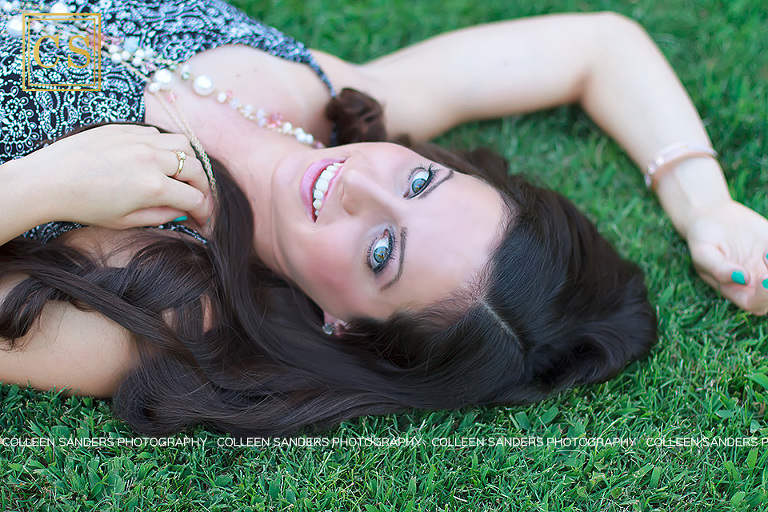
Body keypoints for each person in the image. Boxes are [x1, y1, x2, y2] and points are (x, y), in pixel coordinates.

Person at [0, 0, 764, 437]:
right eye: (425, 182)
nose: (362, 182)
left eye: (380, 253)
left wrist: (40, 187)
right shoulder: (327, 100)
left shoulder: (163, 307)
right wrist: (706, 203)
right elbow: (598, 45)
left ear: (343, 324)